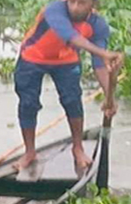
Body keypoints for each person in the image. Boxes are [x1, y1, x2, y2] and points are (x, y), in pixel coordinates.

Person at [14, 0, 125, 170]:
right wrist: (104, 53)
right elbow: (69, 35)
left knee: (72, 101)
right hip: (32, 57)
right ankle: (30, 152)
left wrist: (109, 96)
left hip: (66, 60)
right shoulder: (54, 9)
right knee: (28, 104)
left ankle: (78, 148)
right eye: (72, 1)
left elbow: (100, 65)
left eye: (81, 3)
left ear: (93, 4)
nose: (74, 7)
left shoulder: (98, 25)